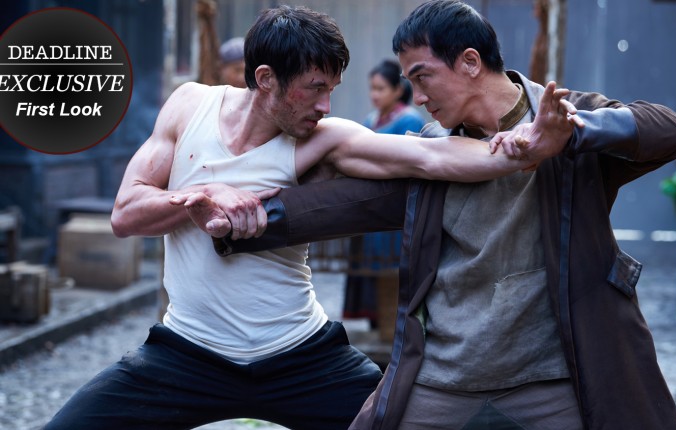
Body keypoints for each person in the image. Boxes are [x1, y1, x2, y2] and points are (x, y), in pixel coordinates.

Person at [43, 5, 578, 430]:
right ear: (266, 79)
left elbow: (431, 157)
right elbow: (126, 213)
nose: (325, 106)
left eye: (332, 90)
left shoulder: (325, 139)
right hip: (186, 353)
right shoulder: (190, 106)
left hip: (301, 357)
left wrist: (527, 148)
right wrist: (201, 195)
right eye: (315, 88)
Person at [212, 1, 676, 429]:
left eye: (422, 77)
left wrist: (571, 133)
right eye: (410, 83)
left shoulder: (565, 122)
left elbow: (670, 131)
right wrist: (245, 219)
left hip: (553, 377)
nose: (418, 97)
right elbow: (354, 203)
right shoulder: (433, 152)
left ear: (470, 62)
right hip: (444, 376)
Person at [343, 59, 426, 327]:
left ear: (398, 90)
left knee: (393, 270)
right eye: (372, 88)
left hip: (395, 211)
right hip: (371, 210)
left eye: (381, 89)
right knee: (373, 269)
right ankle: (380, 326)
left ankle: (395, 330)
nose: (374, 94)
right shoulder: (371, 120)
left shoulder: (410, 120)